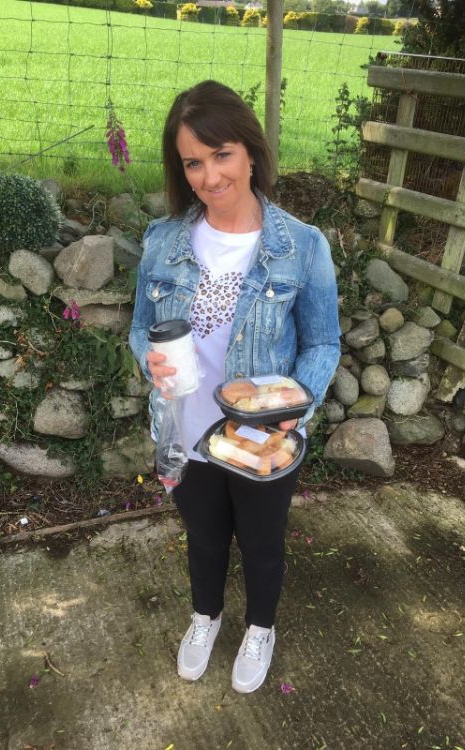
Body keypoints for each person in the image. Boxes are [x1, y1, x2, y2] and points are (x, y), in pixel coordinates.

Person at [130, 80, 340, 693]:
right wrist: (150, 361)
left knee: (262, 544)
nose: (208, 175)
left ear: (249, 150)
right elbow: (142, 329)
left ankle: (261, 627)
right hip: (185, 427)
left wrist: (293, 410)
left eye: (220, 154)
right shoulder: (162, 240)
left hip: (263, 440)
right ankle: (206, 618)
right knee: (204, 539)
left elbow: (323, 342)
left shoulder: (301, 246)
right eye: (192, 162)